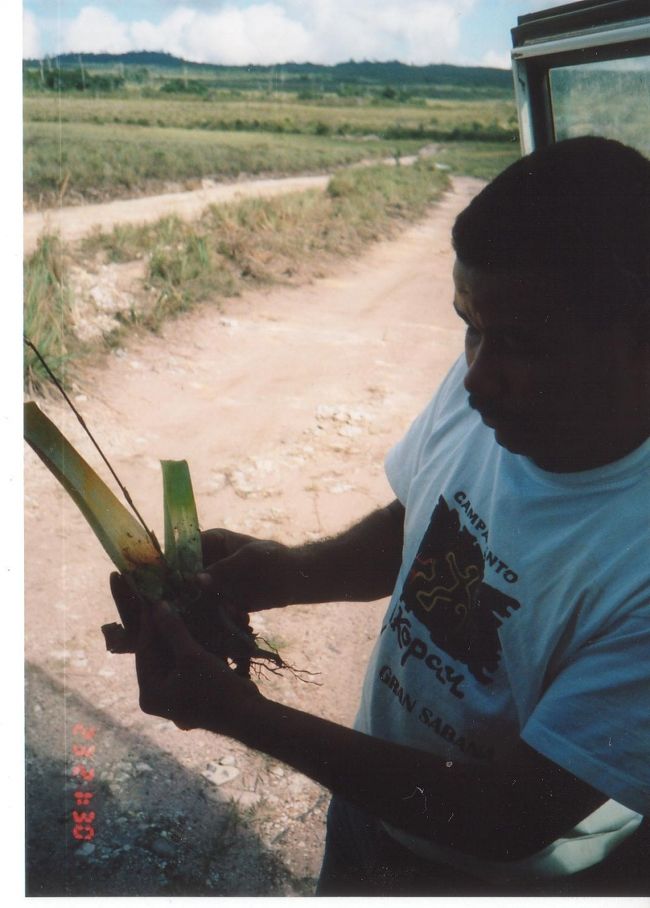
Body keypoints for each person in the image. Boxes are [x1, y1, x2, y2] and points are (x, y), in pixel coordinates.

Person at [110, 136, 650, 895]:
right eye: (469, 325)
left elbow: (511, 816)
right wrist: (283, 572)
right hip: (370, 810)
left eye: (522, 343)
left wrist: (240, 716)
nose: (476, 378)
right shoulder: (492, 388)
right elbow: (423, 519)